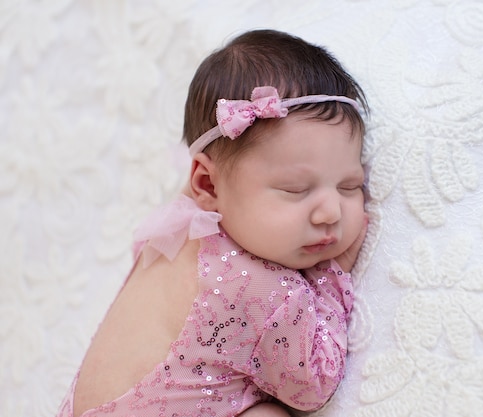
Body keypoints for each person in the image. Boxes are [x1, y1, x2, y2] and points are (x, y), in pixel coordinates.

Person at [56, 29, 369, 417]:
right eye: (294, 190)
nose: (330, 213)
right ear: (206, 183)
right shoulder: (261, 289)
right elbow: (313, 385)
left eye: (350, 185)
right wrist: (330, 276)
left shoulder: (177, 229)